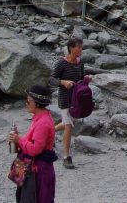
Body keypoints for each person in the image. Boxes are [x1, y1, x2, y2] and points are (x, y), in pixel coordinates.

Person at [49, 36, 95, 169]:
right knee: (69, 126)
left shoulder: (80, 62)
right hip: (65, 98)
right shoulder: (61, 63)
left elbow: (80, 79)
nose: (81, 50)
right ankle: (66, 157)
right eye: (78, 47)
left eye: (81, 47)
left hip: (77, 98)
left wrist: (86, 79)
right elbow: (51, 79)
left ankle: (49, 131)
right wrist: (63, 82)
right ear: (71, 48)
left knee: (68, 122)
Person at [8, 85, 58, 203]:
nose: (26, 103)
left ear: (37, 103)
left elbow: (35, 149)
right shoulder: (39, 118)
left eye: (28, 100)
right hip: (33, 168)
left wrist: (19, 140)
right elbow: (30, 141)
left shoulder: (43, 123)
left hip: (38, 171)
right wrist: (17, 140)